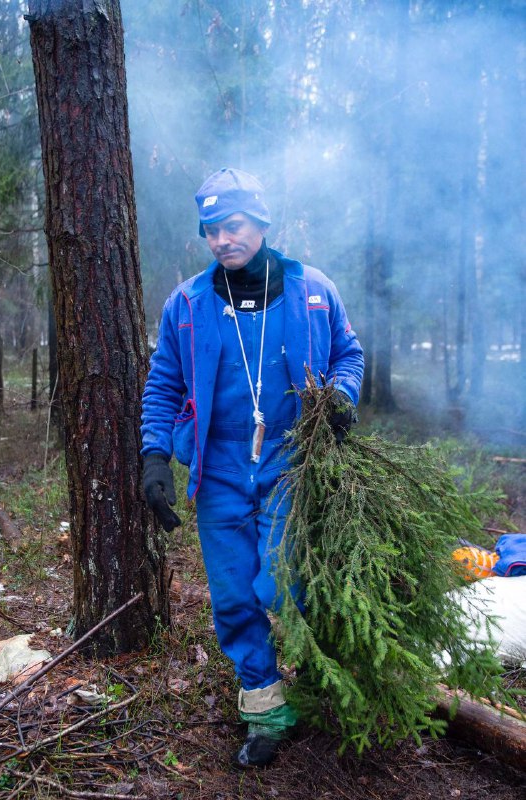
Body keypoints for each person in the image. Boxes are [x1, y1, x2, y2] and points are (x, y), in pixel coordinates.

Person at [141, 168, 364, 768]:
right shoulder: (188, 303)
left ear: (262, 224)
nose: (221, 240)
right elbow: (163, 385)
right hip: (218, 467)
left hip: (293, 458)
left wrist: (342, 395)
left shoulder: (311, 289)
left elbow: (348, 351)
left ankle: (323, 682)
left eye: (232, 226)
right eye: (211, 230)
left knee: (285, 582)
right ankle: (265, 708)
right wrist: (155, 457)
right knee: (236, 595)